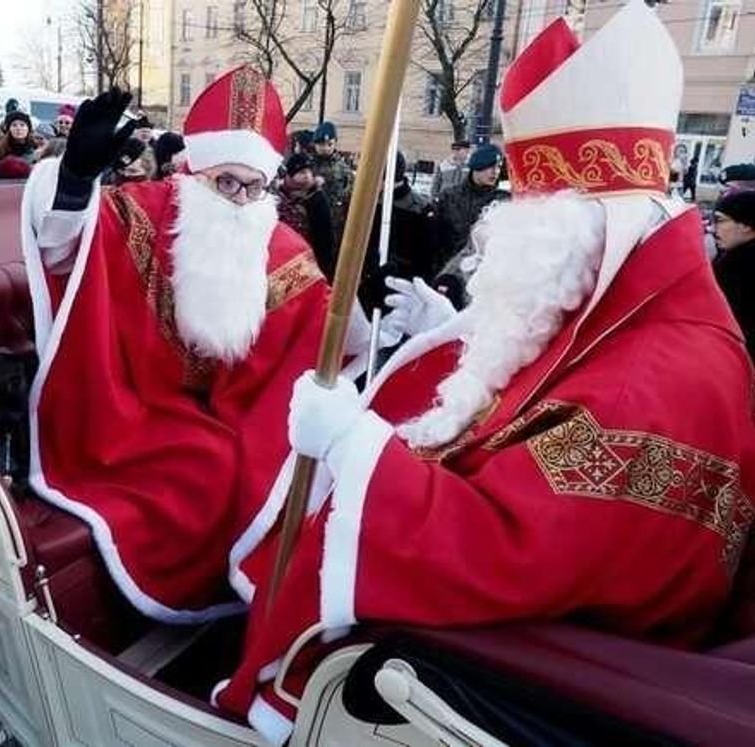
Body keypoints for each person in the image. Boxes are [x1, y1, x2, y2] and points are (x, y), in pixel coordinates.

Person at [214, 5, 755, 741]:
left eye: (529, 208)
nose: (509, 228)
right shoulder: (641, 304)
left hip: (533, 673)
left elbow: (515, 548)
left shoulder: (665, 375)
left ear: (582, 220)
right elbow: (546, 401)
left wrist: (355, 447)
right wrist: (448, 330)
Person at [21, 69, 369, 624]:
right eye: (227, 183)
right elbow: (62, 253)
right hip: (133, 404)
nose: (241, 201)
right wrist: (75, 178)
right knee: (201, 468)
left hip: (226, 411)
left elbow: (327, 329)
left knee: (294, 471)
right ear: (193, 170)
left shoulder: (275, 242)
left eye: (255, 188)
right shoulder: (139, 211)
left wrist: (371, 330)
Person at [358, 151, 440, 315]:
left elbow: (427, 260)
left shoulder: (420, 209)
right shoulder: (368, 202)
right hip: (368, 286)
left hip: (401, 291)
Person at [433, 141, 510, 283]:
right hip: (449, 274)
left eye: (498, 167)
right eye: (490, 166)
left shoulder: (503, 201)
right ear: (477, 166)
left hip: (485, 278)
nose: (495, 172)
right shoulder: (449, 196)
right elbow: (436, 240)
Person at [711, 189, 755, 362]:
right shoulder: (731, 261)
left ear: (746, 225)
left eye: (720, 221)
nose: (713, 229)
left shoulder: (735, 269)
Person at [277, 152, 335, 278]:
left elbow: (325, 240)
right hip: (281, 263)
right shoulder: (277, 198)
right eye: (302, 172)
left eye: (309, 171)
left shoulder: (317, 198)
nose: (307, 176)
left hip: (309, 264)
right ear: (289, 175)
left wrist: (323, 270)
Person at [310, 120, 355, 246]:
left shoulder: (343, 169)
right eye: (321, 144)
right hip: (311, 220)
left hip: (335, 223)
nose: (325, 148)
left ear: (335, 144)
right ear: (315, 144)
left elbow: (351, 194)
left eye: (329, 144)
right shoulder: (308, 166)